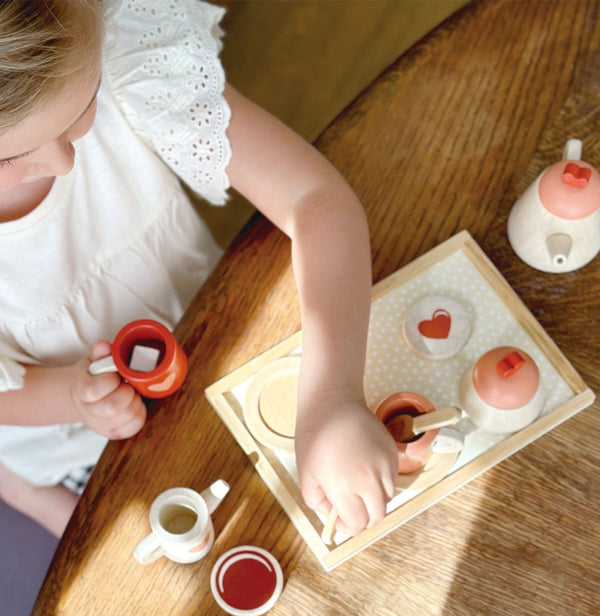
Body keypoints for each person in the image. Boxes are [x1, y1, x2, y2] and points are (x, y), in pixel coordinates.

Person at [0, 0, 397, 539]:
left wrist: (332, 398)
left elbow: (313, 199)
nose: (66, 161)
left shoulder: (122, 53)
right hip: (61, 419)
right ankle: (22, 488)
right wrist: (71, 396)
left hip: (200, 315)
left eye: (82, 107)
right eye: (9, 159)